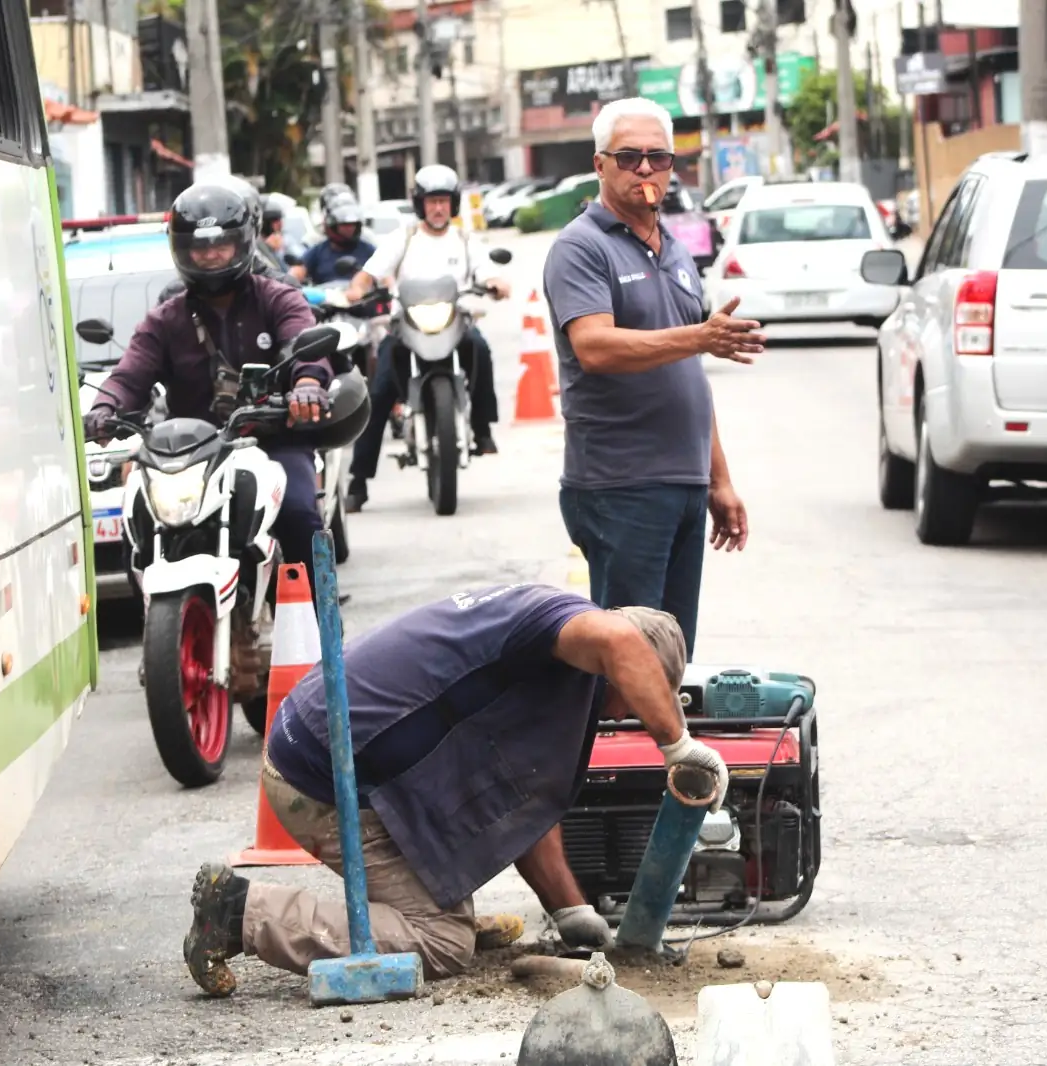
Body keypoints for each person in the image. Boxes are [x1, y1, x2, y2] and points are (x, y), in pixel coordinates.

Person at [180, 583, 730, 995]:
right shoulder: (568, 627)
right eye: (638, 696)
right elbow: (619, 640)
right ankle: (241, 912)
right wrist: (679, 745)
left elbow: (521, 808)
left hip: (326, 744)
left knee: (449, 901)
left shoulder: (547, 654)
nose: (626, 715)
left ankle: (425, 906)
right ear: (625, 669)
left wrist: (570, 912)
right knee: (443, 941)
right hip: (323, 778)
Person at [541, 97, 763, 658]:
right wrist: (699, 338)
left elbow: (691, 375)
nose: (645, 169)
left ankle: (663, 725)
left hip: (683, 483)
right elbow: (594, 347)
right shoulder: (581, 248)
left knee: (672, 654)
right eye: (629, 157)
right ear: (599, 164)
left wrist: (718, 480)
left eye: (658, 157)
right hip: (622, 486)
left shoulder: (677, 252)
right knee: (630, 658)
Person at [84, 182, 334, 584]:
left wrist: (306, 384)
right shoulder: (166, 318)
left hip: (273, 440)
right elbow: (131, 373)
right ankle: (151, 608)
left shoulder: (277, 297)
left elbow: (303, 346)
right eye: (200, 248)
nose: (211, 256)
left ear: (243, 243)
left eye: (221, 245)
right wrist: (104, 408)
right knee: (142, 525)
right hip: (189, 455)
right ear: (181, 250)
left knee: (299, 512)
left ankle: (321, 618)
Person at [341, 164, 511, 511]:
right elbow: (368, 274)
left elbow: (487, 272)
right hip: (406, 327)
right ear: (420, 204)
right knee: (379, 391)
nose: (438, 208)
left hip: (455, 322)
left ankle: (482, 429)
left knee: (480, 348)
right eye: (432, 201)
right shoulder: (403, 238)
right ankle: (358, 481)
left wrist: (495, 283)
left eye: (444, 201)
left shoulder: (466, 240)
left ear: (453, 204)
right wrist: (357, 288)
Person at [291, 197, 375, 285]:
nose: (350, 229)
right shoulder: (317, 252)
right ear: (332, 226)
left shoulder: (369, 251)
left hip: (362, 293)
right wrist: (293, 278)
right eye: (344, 225)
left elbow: (383, 277)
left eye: (353, 224)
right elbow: (297, 272)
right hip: (325, 293)